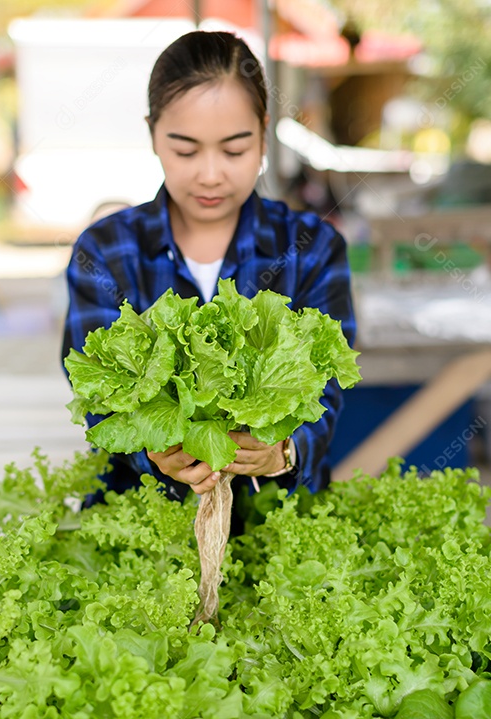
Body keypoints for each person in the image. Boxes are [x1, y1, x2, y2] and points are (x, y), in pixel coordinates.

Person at [62, 30, 356, 508]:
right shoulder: (105, 251)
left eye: (235, 150)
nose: (211, 174)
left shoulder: (312, 247)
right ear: (152, 133)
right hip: (148, 514)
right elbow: (97, 393)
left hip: (274, 516)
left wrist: (282, 451)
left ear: (263, 133)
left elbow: (328, 394)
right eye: (186, 150)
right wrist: (154, 452)